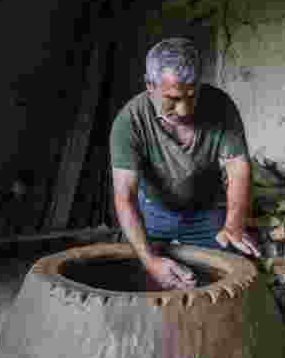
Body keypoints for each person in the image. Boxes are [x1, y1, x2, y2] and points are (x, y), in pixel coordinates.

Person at [110, 37, 260, 290]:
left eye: (192, 95)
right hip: (154, 211)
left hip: (205, 210)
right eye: (172, 98)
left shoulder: (220, 107)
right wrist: (150, 260)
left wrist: (234, 222)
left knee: (223, 281)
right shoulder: (130, 121)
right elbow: (125, 197)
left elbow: (238, 169)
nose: (184, 110)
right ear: (150, 85)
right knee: (141, 277)